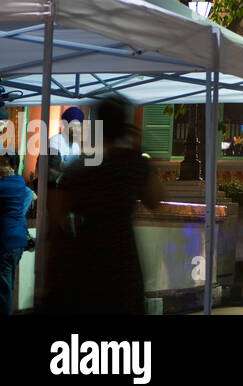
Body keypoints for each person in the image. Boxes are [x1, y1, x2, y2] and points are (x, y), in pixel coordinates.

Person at [41, 98, 162, 314]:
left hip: (87, 255)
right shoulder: (134, 164)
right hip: (123, 255)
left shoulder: (82, 166)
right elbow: (156, 200)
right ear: (124, 126)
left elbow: (58, 220)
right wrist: (138, 149)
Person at [1, 155, 35, 315]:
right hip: (17, 241)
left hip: (6, 243)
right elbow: (31, 195)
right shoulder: (20, 182)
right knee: (7, 287)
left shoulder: (5, 186)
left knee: (3, 292)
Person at [48, 108, 83, 184]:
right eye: (73, 126)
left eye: (79, 126)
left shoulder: (76, 145)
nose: (77, 130)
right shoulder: (55, 140)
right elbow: (54, 168)